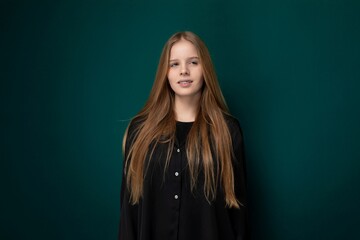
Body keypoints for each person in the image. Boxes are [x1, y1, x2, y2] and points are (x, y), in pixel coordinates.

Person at [119, 31, 249, 240]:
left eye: (193, 62)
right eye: (175, 64)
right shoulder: (139, 131)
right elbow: (128, 212)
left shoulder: (227, 130)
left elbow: (238, 213)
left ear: (205, 68)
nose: (184, 71)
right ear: (165, 72)